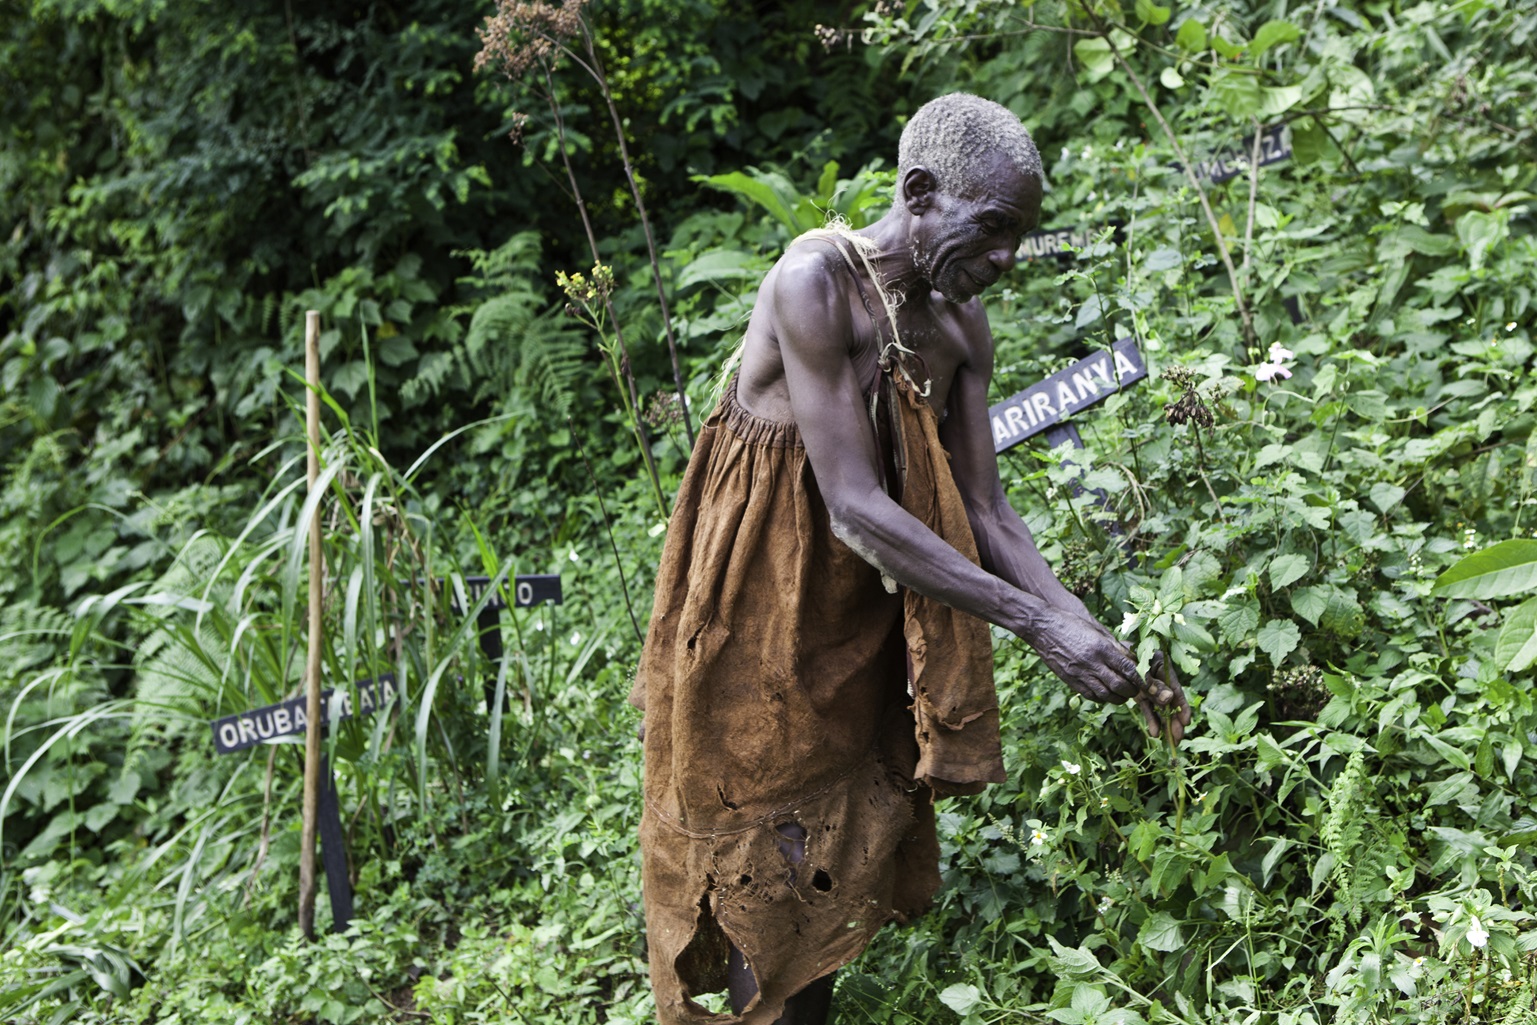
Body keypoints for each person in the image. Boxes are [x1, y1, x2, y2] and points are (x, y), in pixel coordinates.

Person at [629, 92, 1191, 1025]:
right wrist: (1029, 621)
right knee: (763, 844)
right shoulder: (812, 283)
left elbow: (985, 508)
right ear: (921, 194)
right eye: (995, 229)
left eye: (1020, 236)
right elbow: (851, 504)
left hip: (860, 600)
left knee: (826, 835)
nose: (1007, 259)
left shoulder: (959, 328)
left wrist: (1086, 631)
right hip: (756, 593)